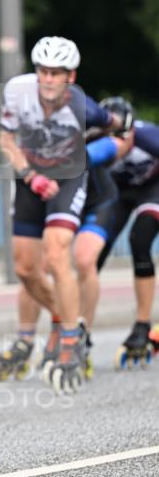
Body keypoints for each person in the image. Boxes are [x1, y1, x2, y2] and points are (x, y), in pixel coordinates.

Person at [0, 35, 121, 393]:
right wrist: (30, 176)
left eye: (57, 73)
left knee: (57, 251)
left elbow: (112, 122)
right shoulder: (17, 92)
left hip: (68, 176)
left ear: (71, 76)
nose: (49, 79)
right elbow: (6, 141)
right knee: (25, 268)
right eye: (43, 72)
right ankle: (68, 318)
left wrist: (120, 120)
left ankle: (69, 338)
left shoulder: (84, 106)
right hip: (30, 176)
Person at [0, 120, 132, 383]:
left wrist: (116, 139)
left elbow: (116, 145)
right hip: (58, 200)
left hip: (95, 205)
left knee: (84, 260)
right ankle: (26, 338)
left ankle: (80, 334)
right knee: (33, 268)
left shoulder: (82, 139)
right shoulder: (34, 153)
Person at [96, 98, 159, 368]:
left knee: (140, 240)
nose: (118, 143)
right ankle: (76, 328)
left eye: (123, 136)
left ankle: (142, 325)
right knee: (95, 251)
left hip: (153, 189)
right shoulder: (95, 142)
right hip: (119, 194)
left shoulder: (149, 138)